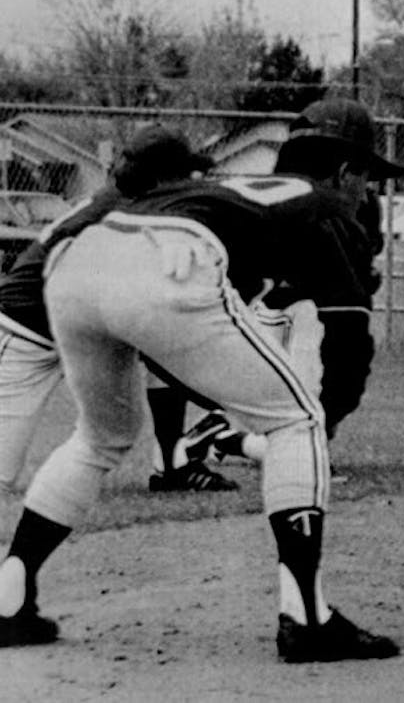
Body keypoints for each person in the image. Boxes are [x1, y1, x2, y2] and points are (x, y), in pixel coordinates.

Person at [0, 99, 400, 662]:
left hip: (75, 266)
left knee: (100, 437)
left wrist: (222, 398)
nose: (368, 193)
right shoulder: (327, 207)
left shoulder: (231, 192)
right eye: (367, 179)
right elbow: (349, 337)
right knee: (299, 419)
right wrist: (329, 414)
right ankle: (307, 619)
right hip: (164, 259)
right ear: (345, 173)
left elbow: (182, 335)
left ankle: (10, 599)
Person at [0, 125, 239, 495]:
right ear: (161, 177)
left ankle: (172, 467)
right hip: (25, 329)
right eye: (185, 173)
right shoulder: (127, 210)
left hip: (85, 329)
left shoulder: (141, 203)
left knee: (160, 350)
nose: (194, 181)